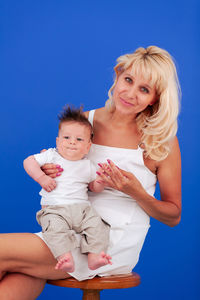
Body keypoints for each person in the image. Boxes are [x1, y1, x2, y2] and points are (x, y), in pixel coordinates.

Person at [0, 45, 181, 299]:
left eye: (144, 89)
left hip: (106, 243)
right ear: (118, 75)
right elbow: (69, 170)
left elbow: (173, 216)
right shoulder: (86, 122)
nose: (130, 93)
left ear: (155, 98)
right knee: (19, 278)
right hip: (67, 226)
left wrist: (136, 192)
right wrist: (51, 168)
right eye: (128, 80)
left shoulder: (161, 141)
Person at [23, 106, 111, 273]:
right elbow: (28, 161)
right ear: (57, 141)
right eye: (67, 137)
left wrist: (102, 181)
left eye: (79, 139)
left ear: (88, 146)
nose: (72, 142)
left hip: (83, 210)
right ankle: (64, 257)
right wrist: (41, 177)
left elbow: (94, 188)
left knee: (97, 225)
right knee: (54, 229)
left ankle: (95, 256)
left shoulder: (88, 166)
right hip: (55, 209)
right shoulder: (51, 155)